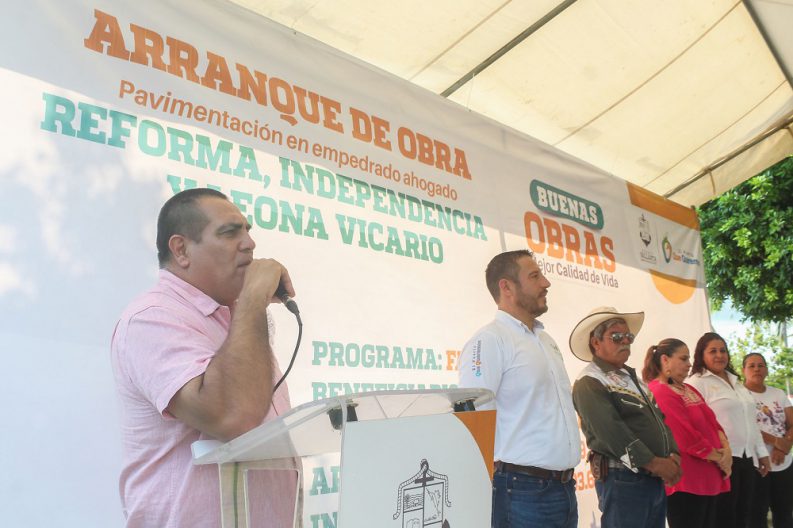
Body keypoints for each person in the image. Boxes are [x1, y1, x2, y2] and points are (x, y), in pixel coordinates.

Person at [111, 188, 298, 528]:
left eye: (247, 231)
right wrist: (253, 297)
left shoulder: (236, 317)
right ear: (181, 250)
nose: (250, 244)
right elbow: (231, 416)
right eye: (230, 232)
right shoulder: (152, 317)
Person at [458, 249, 581, 528]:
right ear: (507, 287)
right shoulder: (490, 340)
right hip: (522, 492)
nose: (546, 283)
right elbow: (473, 419)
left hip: (564, 488)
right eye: (535, 276)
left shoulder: (546, 340)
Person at [570, 307, 681, 528]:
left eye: (628, 336)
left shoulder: (634, 379)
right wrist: (655, 463)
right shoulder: (590, 381)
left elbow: (660, 420)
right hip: (623, 478)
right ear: (596, 342)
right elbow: (611, 433)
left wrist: (673, 455)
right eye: (616, 336)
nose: (625, 341)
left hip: (650, 478)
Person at [642, 338, 732, 528]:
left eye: (689, 358)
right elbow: (684, 437)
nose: (689, 364)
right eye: (683, 359)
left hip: (710, 476)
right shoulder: (659, 391)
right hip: (687, 481)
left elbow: (714, 423)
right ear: (665, 360)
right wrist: (721, 458)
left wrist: (726, 451)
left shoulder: (688, 388)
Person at [687, 332, 771, 528]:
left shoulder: (736, 382)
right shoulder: (696, 382)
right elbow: (695, 423)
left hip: (747, 457)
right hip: (721, 459)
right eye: (713, 351)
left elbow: (751, 421)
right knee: (723, 516)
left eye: (723, 351)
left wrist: (762, 453)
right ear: (701, 355)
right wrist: (713, 454)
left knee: (744, 514)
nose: (719, 355)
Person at [743, 353, 793, 528]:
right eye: (751, 366)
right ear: (743, 370)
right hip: (756, 464)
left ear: (766, 369)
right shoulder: (740, 396)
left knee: (784, 512)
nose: (757, 369)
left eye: (761, 365)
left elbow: (791, 424)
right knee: (756, 514)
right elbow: (747, 427)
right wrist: (778, 442)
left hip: (784, 463)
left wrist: (782, 449)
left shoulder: (778, 393)